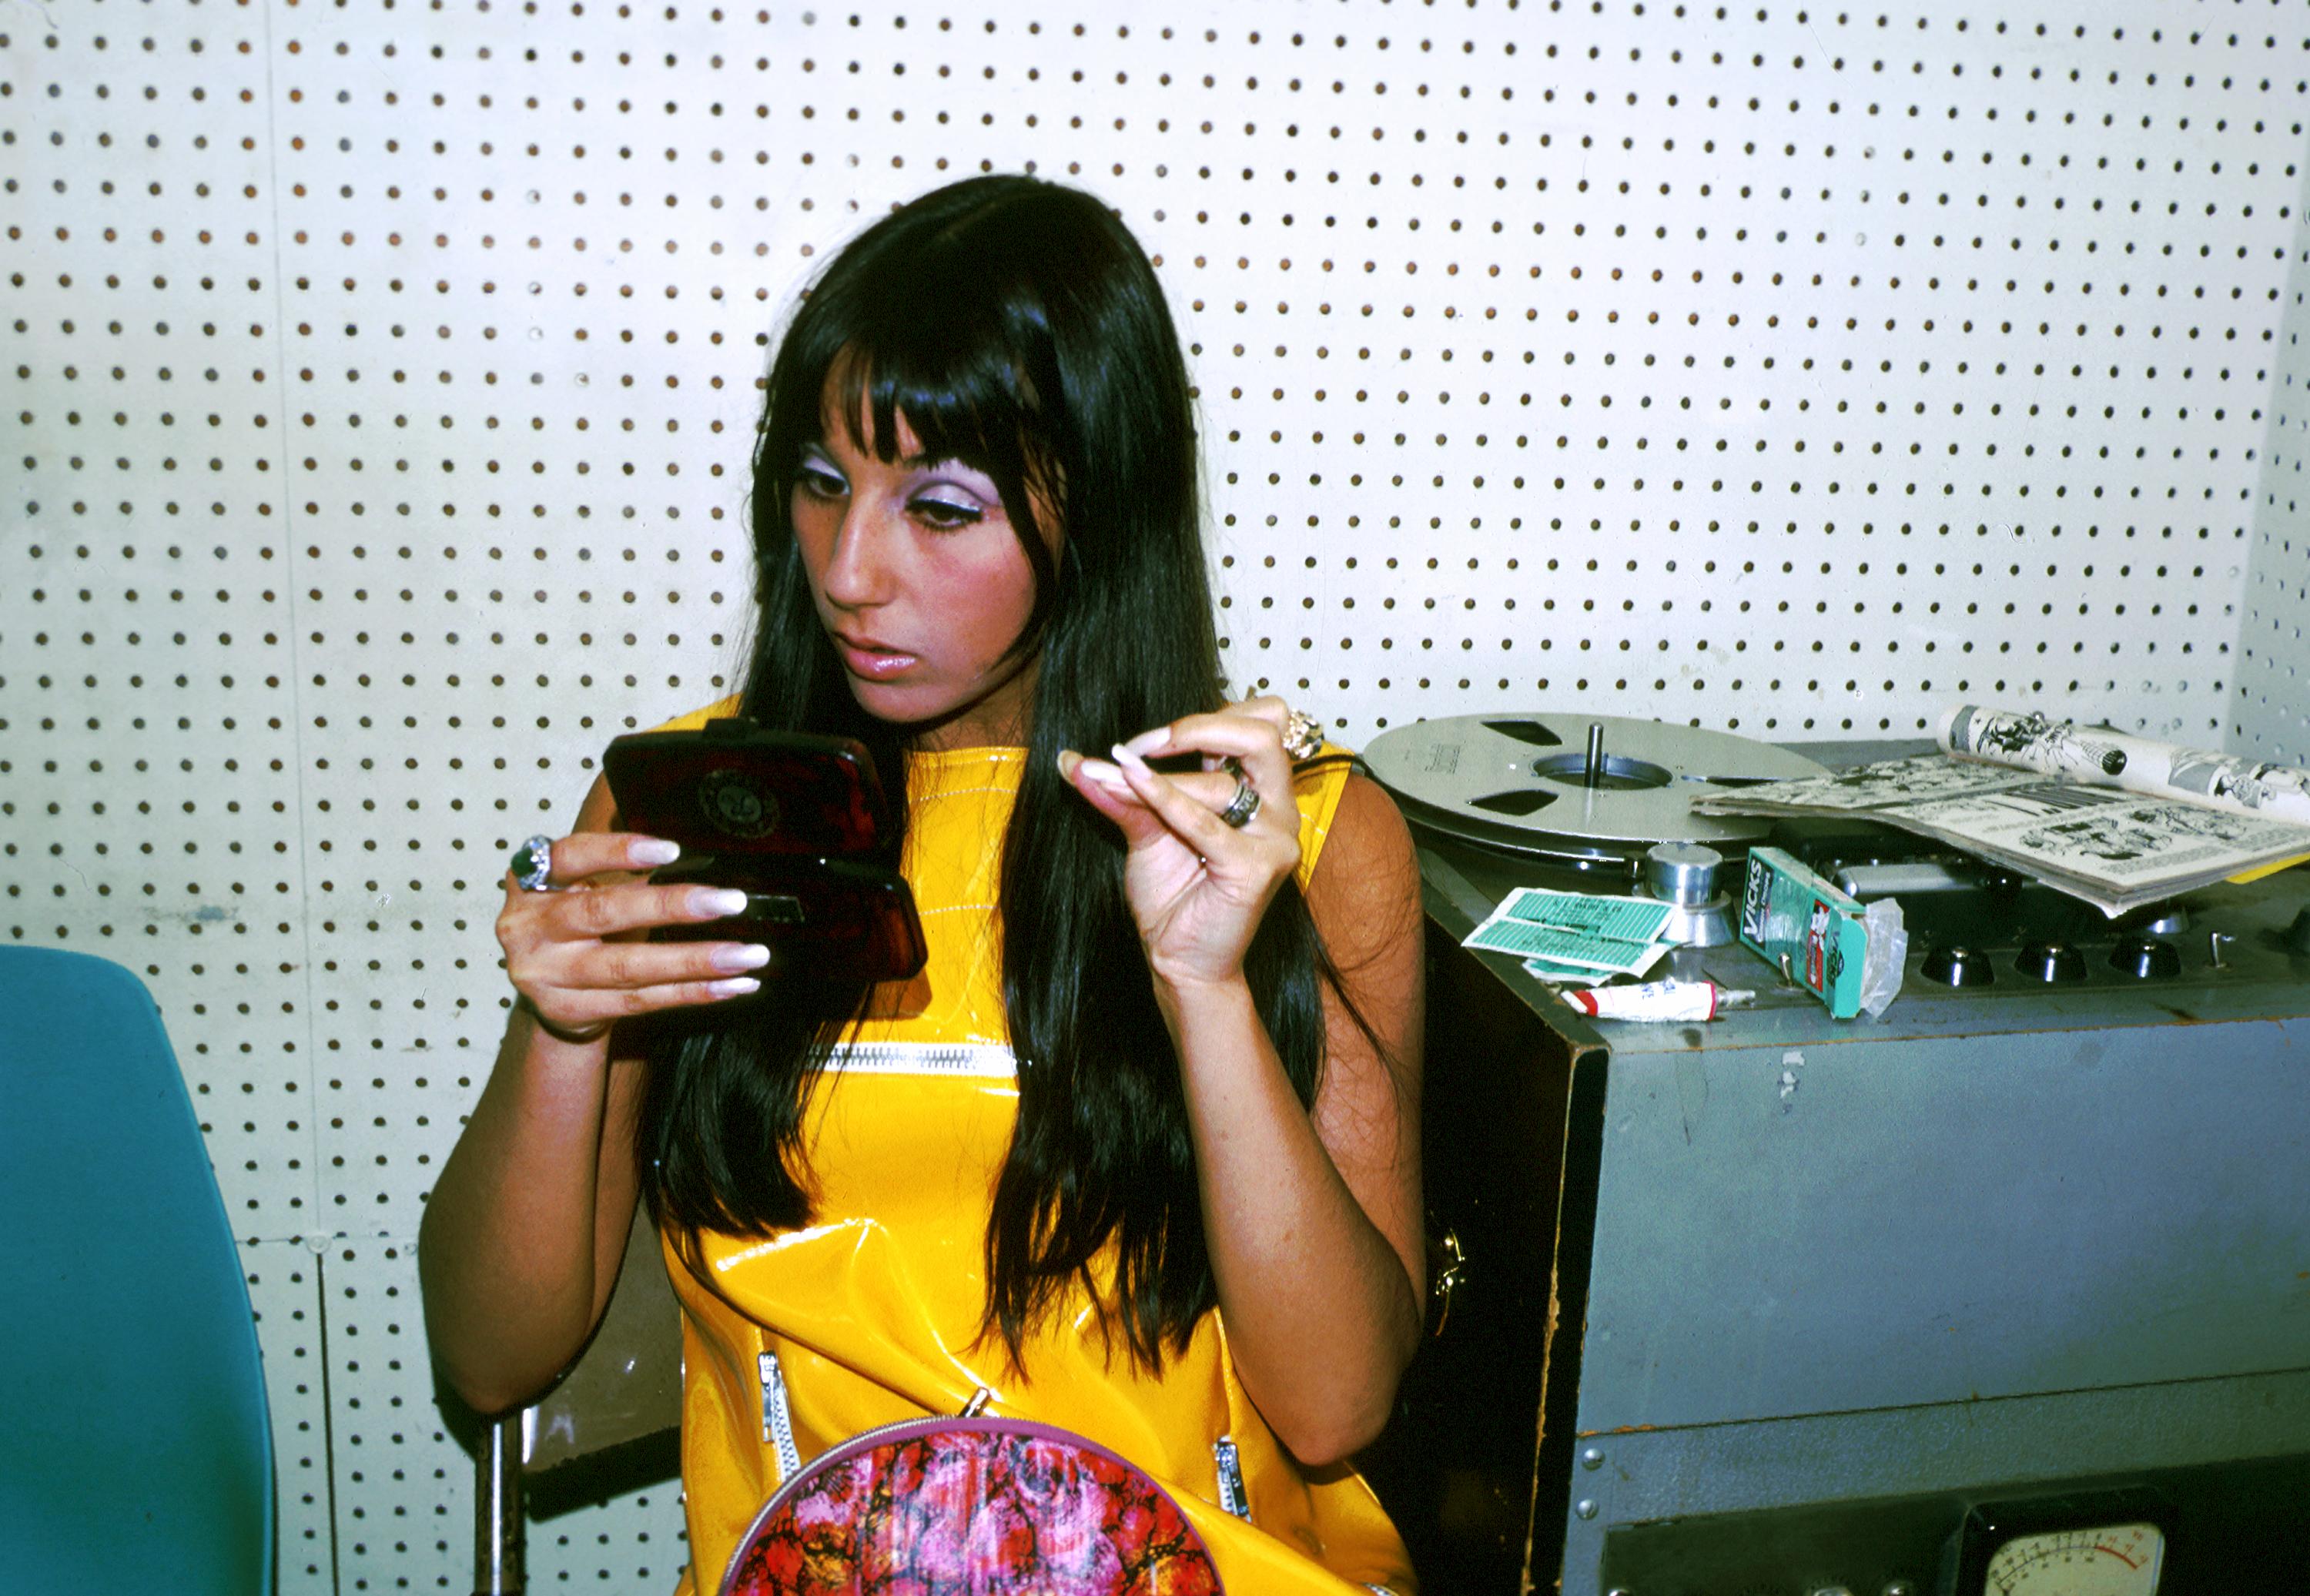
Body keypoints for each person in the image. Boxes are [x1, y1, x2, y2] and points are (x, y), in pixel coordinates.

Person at [418, 173, 1428, 1595]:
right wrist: (562, 1028)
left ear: (1099, 510)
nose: (849, 571)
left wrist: (1204, 990)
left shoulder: (1303, 835)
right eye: (823, 483)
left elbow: (1338, 1406)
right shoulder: (706, 809)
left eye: (941, 508)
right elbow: (490, 1355)